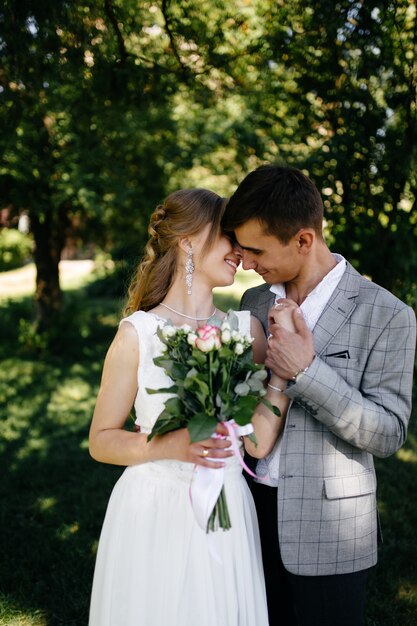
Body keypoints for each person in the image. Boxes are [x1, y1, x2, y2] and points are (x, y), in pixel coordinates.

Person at [88, 187, 293, 626]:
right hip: (152, 508)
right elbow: (101, 442)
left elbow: (255, 443)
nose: (239, 250)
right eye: (228, 236)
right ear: (186, 241)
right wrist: (167, 446)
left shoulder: (246, 330)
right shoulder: (137, 334)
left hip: (228, 508)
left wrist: (282, 375)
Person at [222, 164, 417, 626]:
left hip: (330, 529)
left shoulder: (388, 314)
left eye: (255, 250)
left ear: (303, 240)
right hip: (249, 512)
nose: (245, 262)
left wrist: (306, 372)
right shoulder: (254, 303)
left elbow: (389, 433)